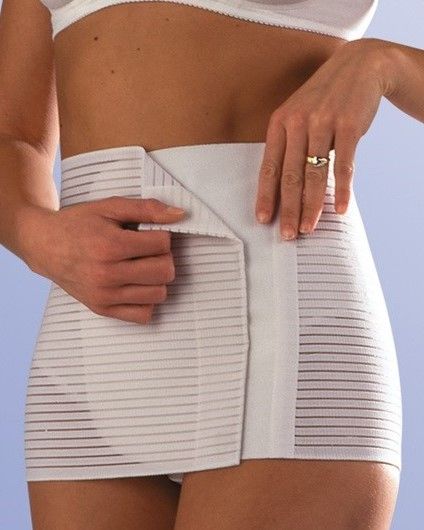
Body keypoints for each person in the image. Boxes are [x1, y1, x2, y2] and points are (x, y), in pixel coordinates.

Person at [0, 0, 423, 528]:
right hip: (89, 339)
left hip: (281, 327)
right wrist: (36, 235)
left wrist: (386, 63)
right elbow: (14, 136)